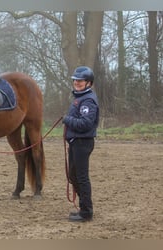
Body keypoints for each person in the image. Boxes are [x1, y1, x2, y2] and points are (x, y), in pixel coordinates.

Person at [62, 66, 99, 222]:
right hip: (76, 141)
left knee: (81, 177)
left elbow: (86, 123)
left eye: (80, 80)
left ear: (88, 83)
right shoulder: (80, 97)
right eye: (75, 80)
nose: (77, 83)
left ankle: (86, 212)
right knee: (73, 175)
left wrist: (67, 119)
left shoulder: (88, 100)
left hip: (82, 142)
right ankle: (83, 208)